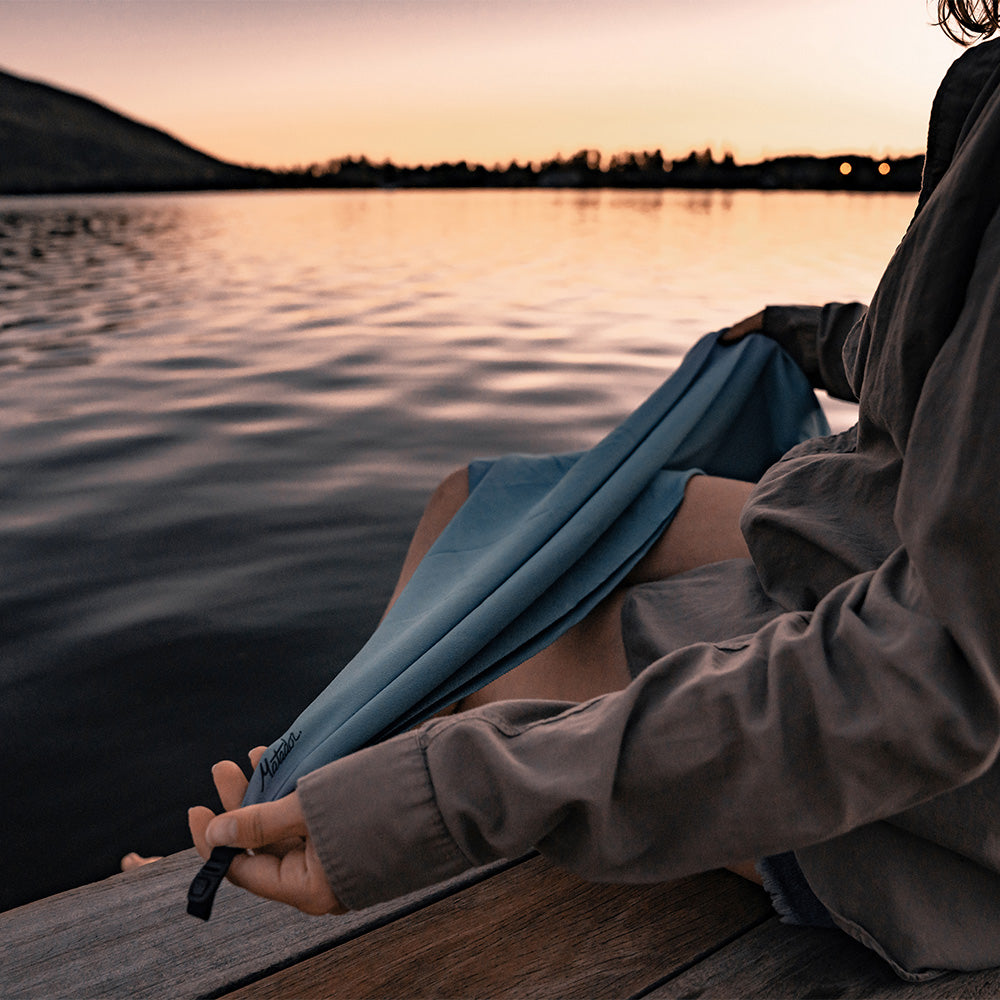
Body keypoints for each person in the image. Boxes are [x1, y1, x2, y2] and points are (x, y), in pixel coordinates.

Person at [188, 1, 1000, 980]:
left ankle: (272, 828)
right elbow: (961, 360)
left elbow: (941, 672)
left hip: (936, 805)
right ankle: (298, 794)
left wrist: (445, 797)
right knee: (478, 507)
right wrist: (812, 336)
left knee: (475, 680)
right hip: (899, 553)